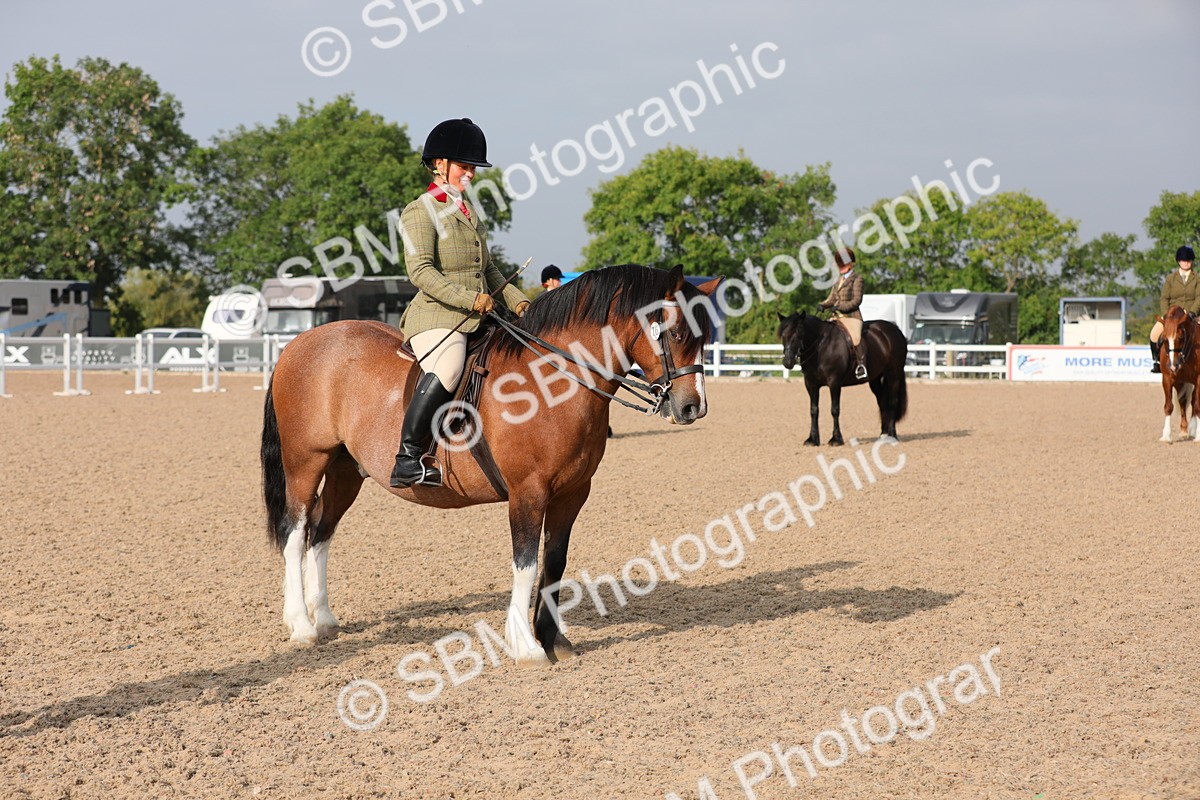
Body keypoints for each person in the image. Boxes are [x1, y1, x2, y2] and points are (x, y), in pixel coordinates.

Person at [390, 118, 530, 488]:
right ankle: (407, 457)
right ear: (439, 164)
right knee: (451, 367)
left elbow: (491, 269)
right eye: (464, 166)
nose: (470, 173)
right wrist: (471, 299)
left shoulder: (468, 212)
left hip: (480, 313)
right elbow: (420, 271)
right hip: (437, 315)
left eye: (472, 168)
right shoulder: (420, 210)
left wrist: (520, 304)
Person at [818, 246, 868, 380]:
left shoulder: (858, 279)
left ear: (850, 264)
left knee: (856, 338)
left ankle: (861, 366)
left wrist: (840, 306)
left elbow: (856, 300)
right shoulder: (838, 281)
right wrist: (823, 305)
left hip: (852, 316)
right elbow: (832, 298)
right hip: (836, 317)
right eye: (839, 265)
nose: (841, 267)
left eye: (843, 265)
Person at [1148, 245, 1198, 373]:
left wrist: (1192, 312)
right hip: (1172, 316)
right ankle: (1157, 362)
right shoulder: (1170, 278)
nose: (1186, 263)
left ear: (1192, 261)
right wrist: (1166, 315)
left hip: (1192, 314)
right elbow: (1164, 298)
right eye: (1183, 260)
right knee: (1154, 334)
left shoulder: (1197, 278)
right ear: (1178, 261)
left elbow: (1199, 297)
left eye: (1188, 260)